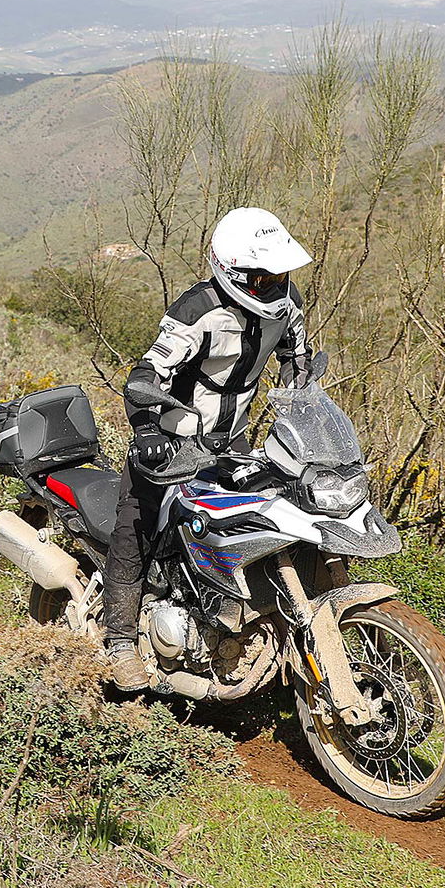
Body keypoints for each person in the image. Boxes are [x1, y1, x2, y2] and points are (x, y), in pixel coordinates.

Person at [103, 207, 314, 689]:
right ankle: (119, 642)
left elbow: (297, 359)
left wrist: (304, 408)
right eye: (263, 277)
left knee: (264, 523)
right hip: (172, 445)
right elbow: (146, 374)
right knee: (135, 525)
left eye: (279, 274)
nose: (274, 284)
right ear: (233, 272)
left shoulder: (287, 304)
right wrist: (147, 432)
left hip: (232, 443)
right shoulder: (197, 311)